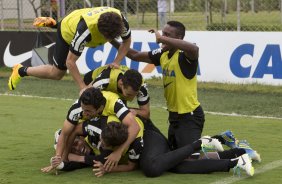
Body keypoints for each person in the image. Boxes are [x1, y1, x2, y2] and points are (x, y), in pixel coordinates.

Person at [111, 21, 204, 152]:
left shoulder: (186, 55)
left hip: (190, 115)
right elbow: (135, 55)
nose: (161, 37)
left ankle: (218, 142)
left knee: (189, 159)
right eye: (162, 33)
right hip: (174, 116)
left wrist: (161, 38)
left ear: (178, 38)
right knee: (174, 154)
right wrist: (111, 39)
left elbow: (194, 49)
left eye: (167, 34)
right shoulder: (162, 53)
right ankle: (212, 143)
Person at [8, 6, 131, 91]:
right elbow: (70, 62)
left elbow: (126, 41)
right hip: (68, 30)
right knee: (56, 74)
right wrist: (83, 87)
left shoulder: (120, 21)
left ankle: (54, 23)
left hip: (78, 17)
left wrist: (116, 62)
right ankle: (20, 70)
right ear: (100, 31)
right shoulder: (85, 32)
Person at [52, 87, 140, 172]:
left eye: (88, 111)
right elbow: (65, 134)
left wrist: (118, 152)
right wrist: (60, 158)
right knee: (104, 156)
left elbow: (135, 127)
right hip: (105, 131)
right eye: (83, 109)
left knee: (150, 167)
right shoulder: (77, 109)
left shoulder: (114, 103)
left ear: (100, 108)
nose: (84, 113)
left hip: (119, 131)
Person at [83, 65, 150, 119]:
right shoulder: (104, 81)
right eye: (129, 94)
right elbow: (85, 97)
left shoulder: (142, 87)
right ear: (121, 84)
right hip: (90, 80)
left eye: (135, 95)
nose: (132, 98)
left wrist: (135, 111)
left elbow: (146, 113)